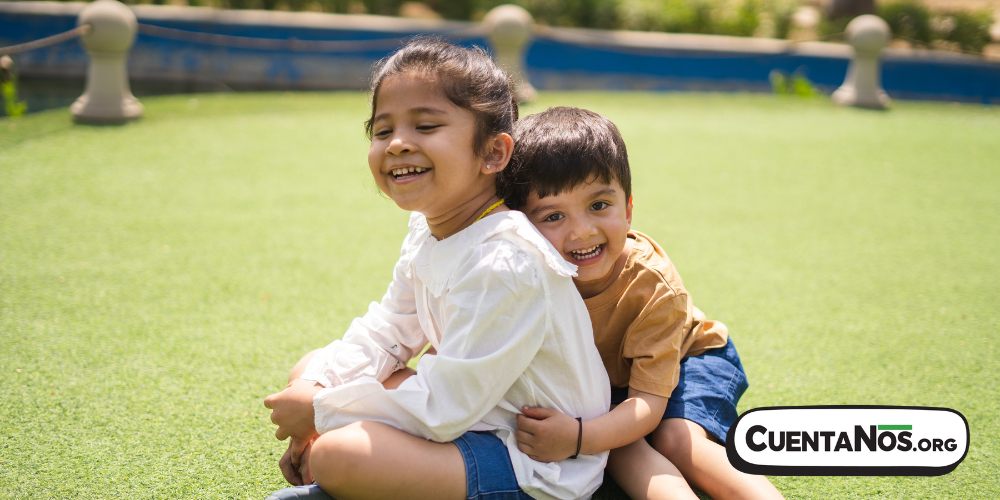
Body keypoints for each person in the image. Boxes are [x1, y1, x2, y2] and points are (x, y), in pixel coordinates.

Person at [262, 43, 610, 500]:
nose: (398, 143)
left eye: (425, 126)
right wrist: (318, 391)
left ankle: (349, 472)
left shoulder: (505, 262)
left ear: (492, 153)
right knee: (312, 369)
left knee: (337, 453)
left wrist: (322, 413)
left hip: (533, 459)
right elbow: (389, 331)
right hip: (477, 416)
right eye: (382, 130)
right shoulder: (428, 229)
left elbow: (445, 408)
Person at [506, 107, 785, 500]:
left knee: (674, 439)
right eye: (553, 215)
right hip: (611, 384)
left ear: (629, 208)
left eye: (599, 205)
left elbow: (646, 408)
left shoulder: (653, 286)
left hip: (691, 359)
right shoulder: (517, 276)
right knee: (619, 446)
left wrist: (578, 437)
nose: (582, 231)